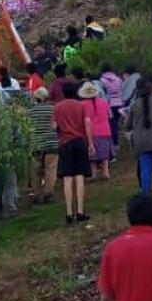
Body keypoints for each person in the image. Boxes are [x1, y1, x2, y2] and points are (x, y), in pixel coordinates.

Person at [54, 81, 93, 224]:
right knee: (80, 176)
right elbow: (87, 123)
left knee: (67, 178)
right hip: (79, 142)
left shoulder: (57, 107)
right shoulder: (81, 106)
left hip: (65, 143)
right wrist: (90, 143)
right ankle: (80, 211)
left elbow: (54, 126)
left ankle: (69, 213)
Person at [27, 88, 58, 204]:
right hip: (51, 143)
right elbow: (55, 125)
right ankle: (48, 193)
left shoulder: (30, 111)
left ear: (35, 98)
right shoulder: (53, 109)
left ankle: (37, 195)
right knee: (50, 169)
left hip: (36, 144)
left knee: (36, 171)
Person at [79, 81, 112, 180]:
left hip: (91, 132)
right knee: (104, 154)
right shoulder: (104, 103)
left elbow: (85, 120)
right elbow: (109, 116)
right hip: (105, 130)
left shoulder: (82, 104)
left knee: (92, 155)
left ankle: (93, 174)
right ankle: (105, 172)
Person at [100, 64, 124, 151]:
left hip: (109, 105)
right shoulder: (118, 79)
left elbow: (103, 94)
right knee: (116, 124)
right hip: (120, 104)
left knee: (110, 124)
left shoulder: (102, 81)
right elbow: (122, 90)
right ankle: (116, 142)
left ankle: (113, 144)